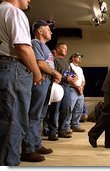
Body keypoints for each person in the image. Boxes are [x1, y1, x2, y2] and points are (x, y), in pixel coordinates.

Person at [0, 0, 43, 166]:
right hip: (13, 69)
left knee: (5, 121)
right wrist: (36, 73)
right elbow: (23, 47)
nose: (29, 0)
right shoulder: (14, 12)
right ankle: (8, 163)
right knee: (13, 121)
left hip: (4, 69)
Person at [21, 20, 62, 162]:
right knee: (33, 115)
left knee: (40, 115)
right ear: (39, 31)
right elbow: (40, 63)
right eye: (48, 29)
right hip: (39, 81)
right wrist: (55, 73)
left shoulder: (46, 47)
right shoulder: (35, 43)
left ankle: (37, 144)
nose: (51, 32)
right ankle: (28, 149)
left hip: (46, 82)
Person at [67, 53, 86, 132]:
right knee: (69, 108)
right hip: (72, 89)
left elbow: (83, 80)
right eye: (78, 57)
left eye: (80, 57)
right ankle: (67, 126)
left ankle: (75, 125)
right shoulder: (69, 66)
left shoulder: (80, 69)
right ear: (73, 58)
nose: (79, 58)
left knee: (79, 109)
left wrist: (81, 87)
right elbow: (70, 78)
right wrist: (77, 87)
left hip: (80, 91)